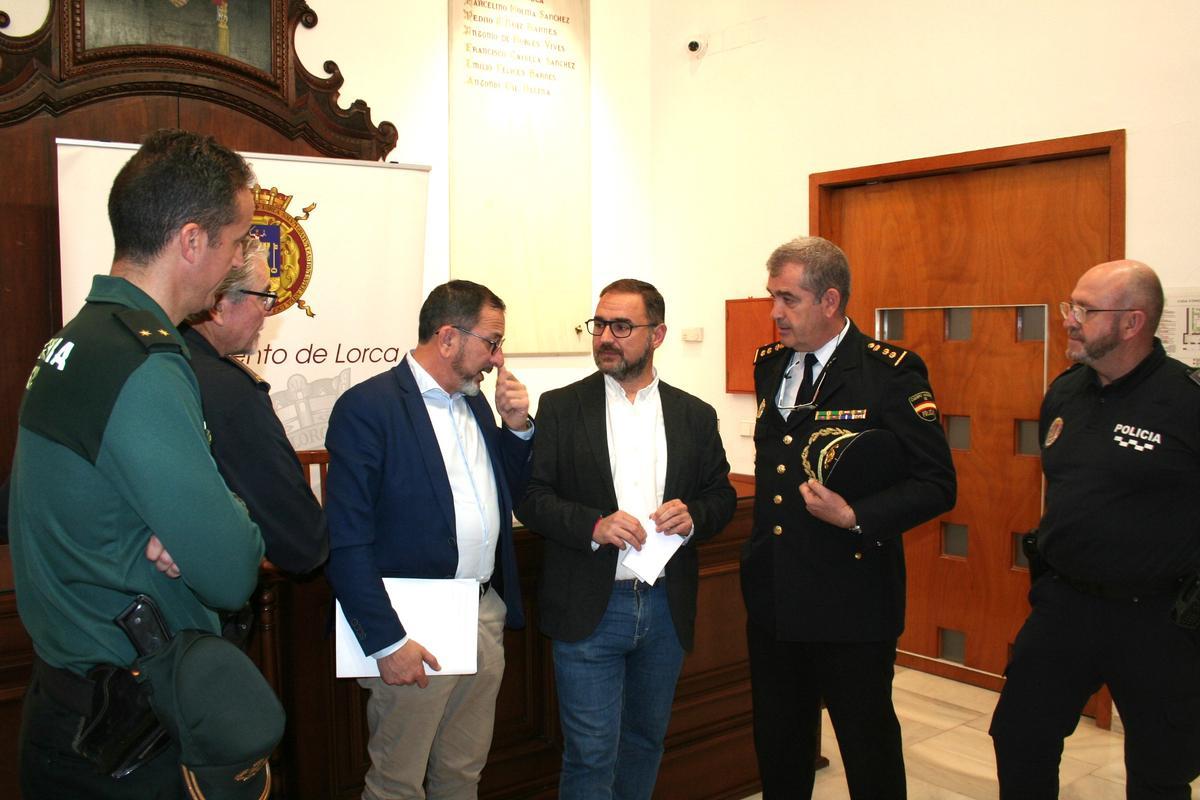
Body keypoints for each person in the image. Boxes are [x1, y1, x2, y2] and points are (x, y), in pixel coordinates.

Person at [8, 129, 268, 798]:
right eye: (238, 240)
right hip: (128, 736)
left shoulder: (75, 341)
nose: (241, 258)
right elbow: (233, 567)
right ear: (191, 241)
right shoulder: (143, 364)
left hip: (68, 709)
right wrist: (208, 528)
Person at [741, 236, 956, 799]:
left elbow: (937, 484)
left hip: (851, 600)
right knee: (780, 745)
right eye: (772, 297)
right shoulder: (771, 365)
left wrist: (857, 514)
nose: (774, 313)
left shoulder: (889, 372)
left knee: (867, 747)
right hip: (775, 598)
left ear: (830, 300)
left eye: (788, 299)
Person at [517, 278, 737, 800]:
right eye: (599, 325)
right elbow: (531, 497)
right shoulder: (563, 407)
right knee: (591, 755)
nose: (605, 338)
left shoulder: (694, 414)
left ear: (657, 334)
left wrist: (695, 515)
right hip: (591, 607)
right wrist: (593, 525)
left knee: (644, 742)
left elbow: (721, 497)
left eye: (621, 327)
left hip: (665, 608)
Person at [990, 260, 1200, 799]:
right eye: (1070, 306)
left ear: (1132, 323)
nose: (1070, 320)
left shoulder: (1186, 401)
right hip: (1065, 605)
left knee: (1160, 767)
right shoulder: (1066, 392)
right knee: (1020, 735)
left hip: (1158, 619)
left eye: (1085, 310)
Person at [325, 279, 532, 800]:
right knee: (397, 783)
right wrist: (387, 641)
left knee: (462, 773)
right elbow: (346, 539)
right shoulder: (368, 407)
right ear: (447, 338)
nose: (497, 357)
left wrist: (518, 427)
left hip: (483, 610)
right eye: (491, 340)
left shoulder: (476, 404)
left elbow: (512, 496)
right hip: (413, 626)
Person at [182, 239, 328, 575]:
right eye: (264, 296)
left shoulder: (162, 359)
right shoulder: (230, 392)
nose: (269, 310)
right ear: (218, 306)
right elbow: (303, 542)